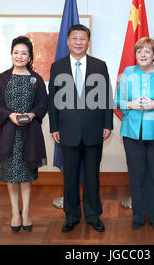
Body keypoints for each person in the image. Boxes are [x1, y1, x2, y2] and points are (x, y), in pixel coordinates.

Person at [48, 24, 113, 233]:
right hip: (67, 130)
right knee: (70, 177)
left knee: (93, 175)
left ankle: (94, 215)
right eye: (74, 38)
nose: (78, 42)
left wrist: (107, 124)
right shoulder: (57, 66)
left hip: (94, 129)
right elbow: (53, 100)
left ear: (88, 41)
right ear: (68, 41)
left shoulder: (99, 65)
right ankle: (71, 215)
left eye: (82, 38)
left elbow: (106, 96)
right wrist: (54, 126)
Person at [115, 37, 154, 230]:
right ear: (135, 55)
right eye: (139, 51)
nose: (143, 54)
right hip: (132, 133)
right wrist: (130, 104)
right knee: (136, 176)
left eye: (147, 51)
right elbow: (117, 100)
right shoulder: (128, 72)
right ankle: (138, 216)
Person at [0, 36, 47, 233]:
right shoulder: (2, 79)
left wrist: (32, 114)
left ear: (30, 57)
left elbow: (43, 104)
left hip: (29, 135)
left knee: (26, 174)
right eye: (16, 52)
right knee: (11, 176)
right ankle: (14, 212)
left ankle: (27, 212)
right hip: (8, 134)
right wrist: (9, 115)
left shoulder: (35, 79)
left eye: (24, 53)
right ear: (11, 54)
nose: (19, 56)